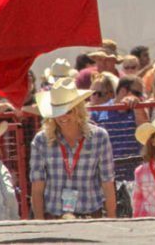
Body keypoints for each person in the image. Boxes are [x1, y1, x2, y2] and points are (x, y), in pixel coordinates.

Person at [30, 80, 116, 219]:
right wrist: (40, 224)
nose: (63, 116)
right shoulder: (41, 140)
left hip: (90, 217)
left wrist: (112, 220)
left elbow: (107, 183)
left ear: (78, 110)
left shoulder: (99, 137)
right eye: (57, 111)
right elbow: (37, 188)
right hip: (54, 218)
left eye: (68, 111)